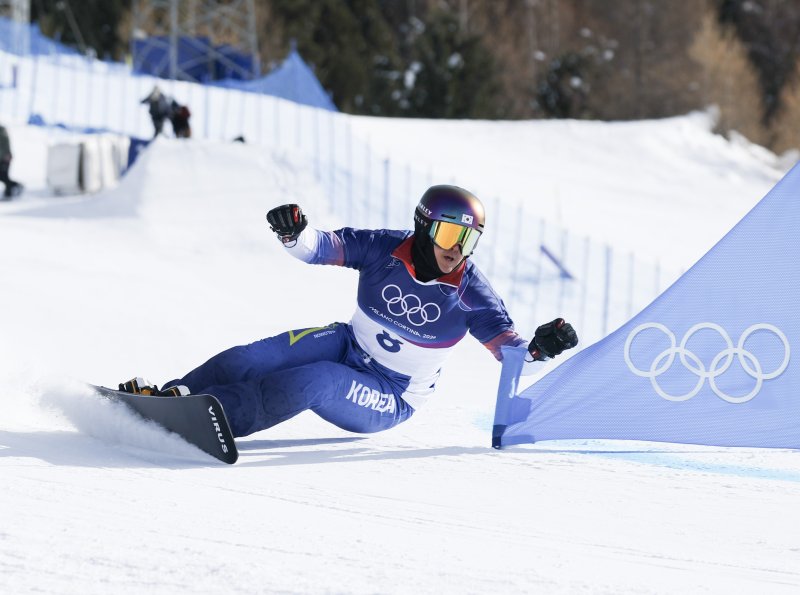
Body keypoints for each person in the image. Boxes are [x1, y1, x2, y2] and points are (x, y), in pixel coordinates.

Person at [119, 185, 579, 438]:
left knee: (313, 381)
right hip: (347, 343)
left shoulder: (471, 291)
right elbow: (318, 247)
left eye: (468, 240)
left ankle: (215, 419)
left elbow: (514, 354)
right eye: (446, 236)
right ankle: (173, 395)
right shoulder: (383, 247)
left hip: (391, 393)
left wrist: (540, 347)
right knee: (251, 357)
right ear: (423, 229)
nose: (456, 250)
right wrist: (293, 232)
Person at [0, 124, 22, 199]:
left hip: (5, 158)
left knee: (3, 176)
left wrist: (7, 154)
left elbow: (5, 143)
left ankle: (10, 192)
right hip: (2, 158)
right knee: (2, 177)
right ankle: (10, 191)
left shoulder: (1, 130)